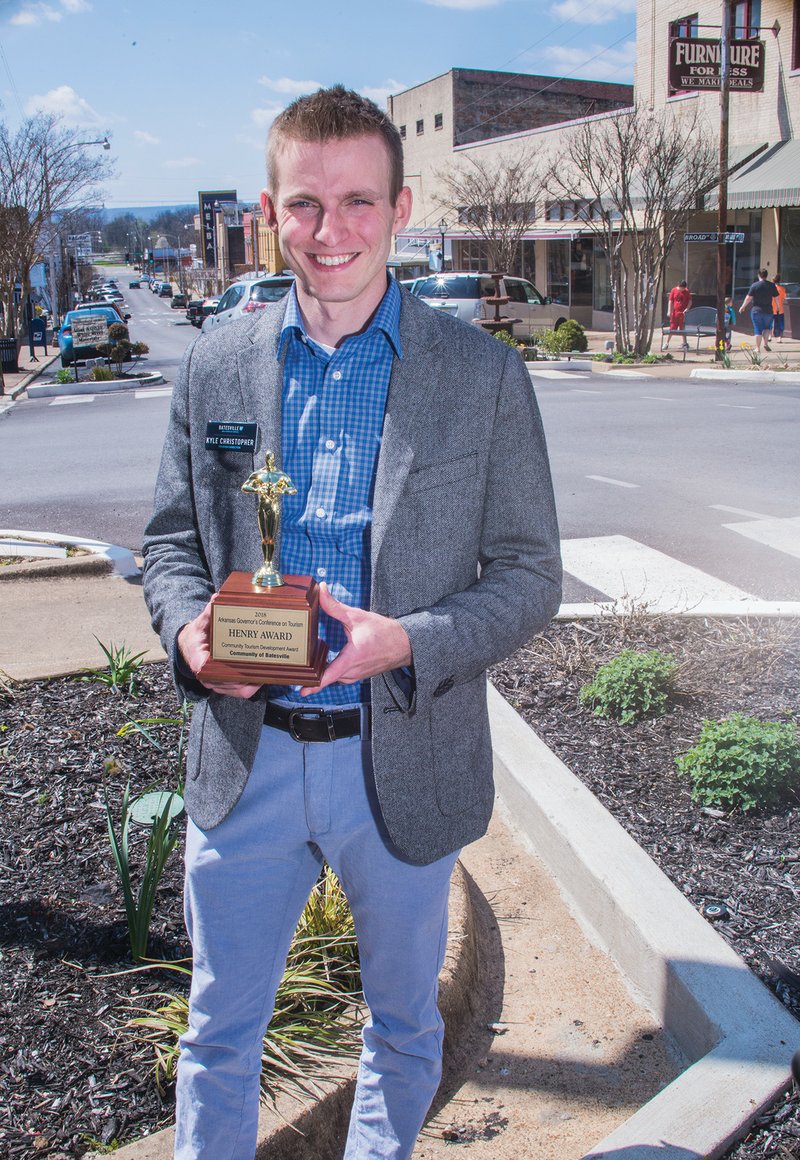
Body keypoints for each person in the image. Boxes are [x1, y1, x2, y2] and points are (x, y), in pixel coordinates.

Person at [142, 85, 561, 1160]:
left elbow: (528, 575)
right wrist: (191, 635)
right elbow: (172, 544)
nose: (330, 233)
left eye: (358, 202)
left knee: (404, 1028)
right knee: (218, 1034)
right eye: (304, 205)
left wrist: (406, 639)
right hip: (247, 757)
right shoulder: (217, 364)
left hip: (403, 753)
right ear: (268, 215)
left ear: (401, 207)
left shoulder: (481, 375)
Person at [739, 268, 779, 353]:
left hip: (757, 311)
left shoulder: (755, 285)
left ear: (758, 275)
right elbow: (776, 298)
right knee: (767, 328)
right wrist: (778, 307)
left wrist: (743, 306)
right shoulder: (772, 285)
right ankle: (766, 344)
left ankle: (757, 348)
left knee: (758, 329)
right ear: (766, 276)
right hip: (768, 311)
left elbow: (748, 298)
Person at [664, 280, 692, 350]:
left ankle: (685, 343)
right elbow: (670, 301)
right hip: (675, 313)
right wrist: (669, 311)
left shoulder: (686, 291)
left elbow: (690, 301)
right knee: (672, 328)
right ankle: (667, 343)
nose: (682, 290)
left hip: (682, 313)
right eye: (682, 288)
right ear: (679, 286)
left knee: (683, 328)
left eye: (684, 288)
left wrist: (687, 308)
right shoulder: (674, 290)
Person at [773, 274, 787, 341]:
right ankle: (779, 338)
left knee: (771, 323)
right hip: (780, 309)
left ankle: (770, 336)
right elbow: (784, 298)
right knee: (780, 323)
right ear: (779, 280)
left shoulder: (771, 289)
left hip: (771, 308)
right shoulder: (782, 289)